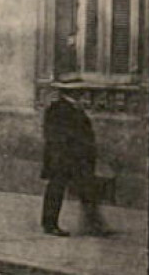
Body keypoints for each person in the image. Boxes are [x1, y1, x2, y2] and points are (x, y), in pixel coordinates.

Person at [41, 83, 112, 237]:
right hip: (62, 157)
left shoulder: (74, 107)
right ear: (73, 92)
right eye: (80, 91)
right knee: (56, 190)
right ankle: (50, 224)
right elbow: (55, 136)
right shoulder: (57, 109)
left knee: (87, 189)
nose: (84, 94)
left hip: (78, 158)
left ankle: (94, 225)